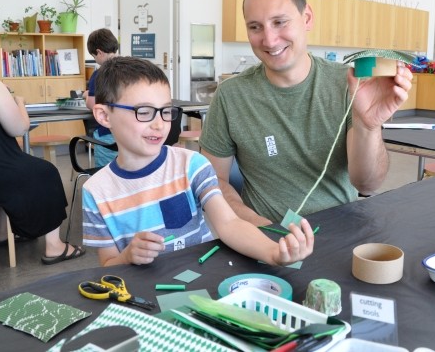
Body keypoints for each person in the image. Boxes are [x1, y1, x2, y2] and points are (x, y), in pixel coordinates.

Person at [199, 0, 414, 226]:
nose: (269, 40)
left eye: (279, 22)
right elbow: (213, 183)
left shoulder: (349, 84)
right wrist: (263, 231)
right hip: (264, 237)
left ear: (307, 18)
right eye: (255, 27)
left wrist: (368, 126)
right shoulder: (231, 95)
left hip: (339, 232)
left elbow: (367, 183)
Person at [82, 56, 313, 267]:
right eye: (143, 112)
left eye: (165, 111)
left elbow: (229, 224)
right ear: (103, 115)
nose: (159, 124)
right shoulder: (96, 192)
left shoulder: (191, 165)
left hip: (202, 280)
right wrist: (127, 256)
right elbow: (108, 265)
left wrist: (273, 252)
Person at [0, 23, 85, 264]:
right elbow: (18, 127)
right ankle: (54, 246)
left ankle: (2, 234)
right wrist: (17, 101)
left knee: (6, 176)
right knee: (45, 172)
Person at [85, 28, 119, 166]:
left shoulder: (99, 74)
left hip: (108, 133)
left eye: (94, 56)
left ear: (99, 52)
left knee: (107, 173)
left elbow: (92, 104)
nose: (95, 59)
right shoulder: (131, 68)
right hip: (130, 130)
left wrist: (87, 95)